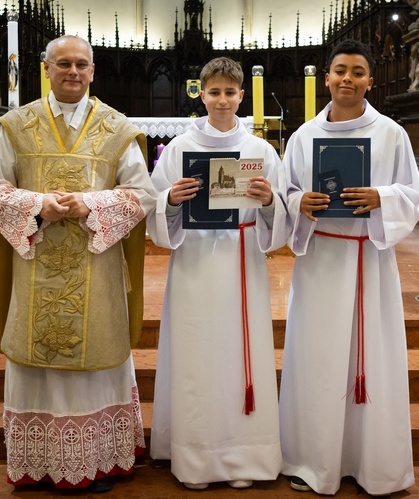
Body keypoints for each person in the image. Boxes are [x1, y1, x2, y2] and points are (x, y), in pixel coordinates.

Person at [0, 34, 157, 493]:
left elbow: (142, 195)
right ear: (47, 69)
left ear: (93, 71)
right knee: (37, 362)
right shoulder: (15, 126)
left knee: (96, 356)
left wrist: (89, 206)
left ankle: (95, 462)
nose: (72, 72)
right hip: (35, 268)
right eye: (63, 64)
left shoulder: (117, 129)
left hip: (95, 275)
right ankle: (39, 462)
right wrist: (37, 204)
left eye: (81, 64)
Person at [278, 39, 419, 496]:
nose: (348, 79)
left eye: (357, 72)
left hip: (370, 261)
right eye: (340, 70)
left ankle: (375, 466)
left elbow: (413, 195)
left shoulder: (391, 134)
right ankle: (311, 461)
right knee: (317, 359)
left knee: (373, 361)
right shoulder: (304, 137)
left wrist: (383, 197)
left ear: (370, 80)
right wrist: (301, 201)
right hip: (321, 260)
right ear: (327, 78)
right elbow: (285, 193)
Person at [147, 57, 286, 490]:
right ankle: (196, 458)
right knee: (196, 354)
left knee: (240, 353)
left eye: (230, 92)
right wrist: (170, 198)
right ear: (200, 94)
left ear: (241, 96)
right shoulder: (178, 149)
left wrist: (267, 202)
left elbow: (280, 213)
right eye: (214, 92)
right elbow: (153, 206)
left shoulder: (261, 151)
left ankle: (246, 457)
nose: (222, 100)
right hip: (193, 263)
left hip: (242, 260)